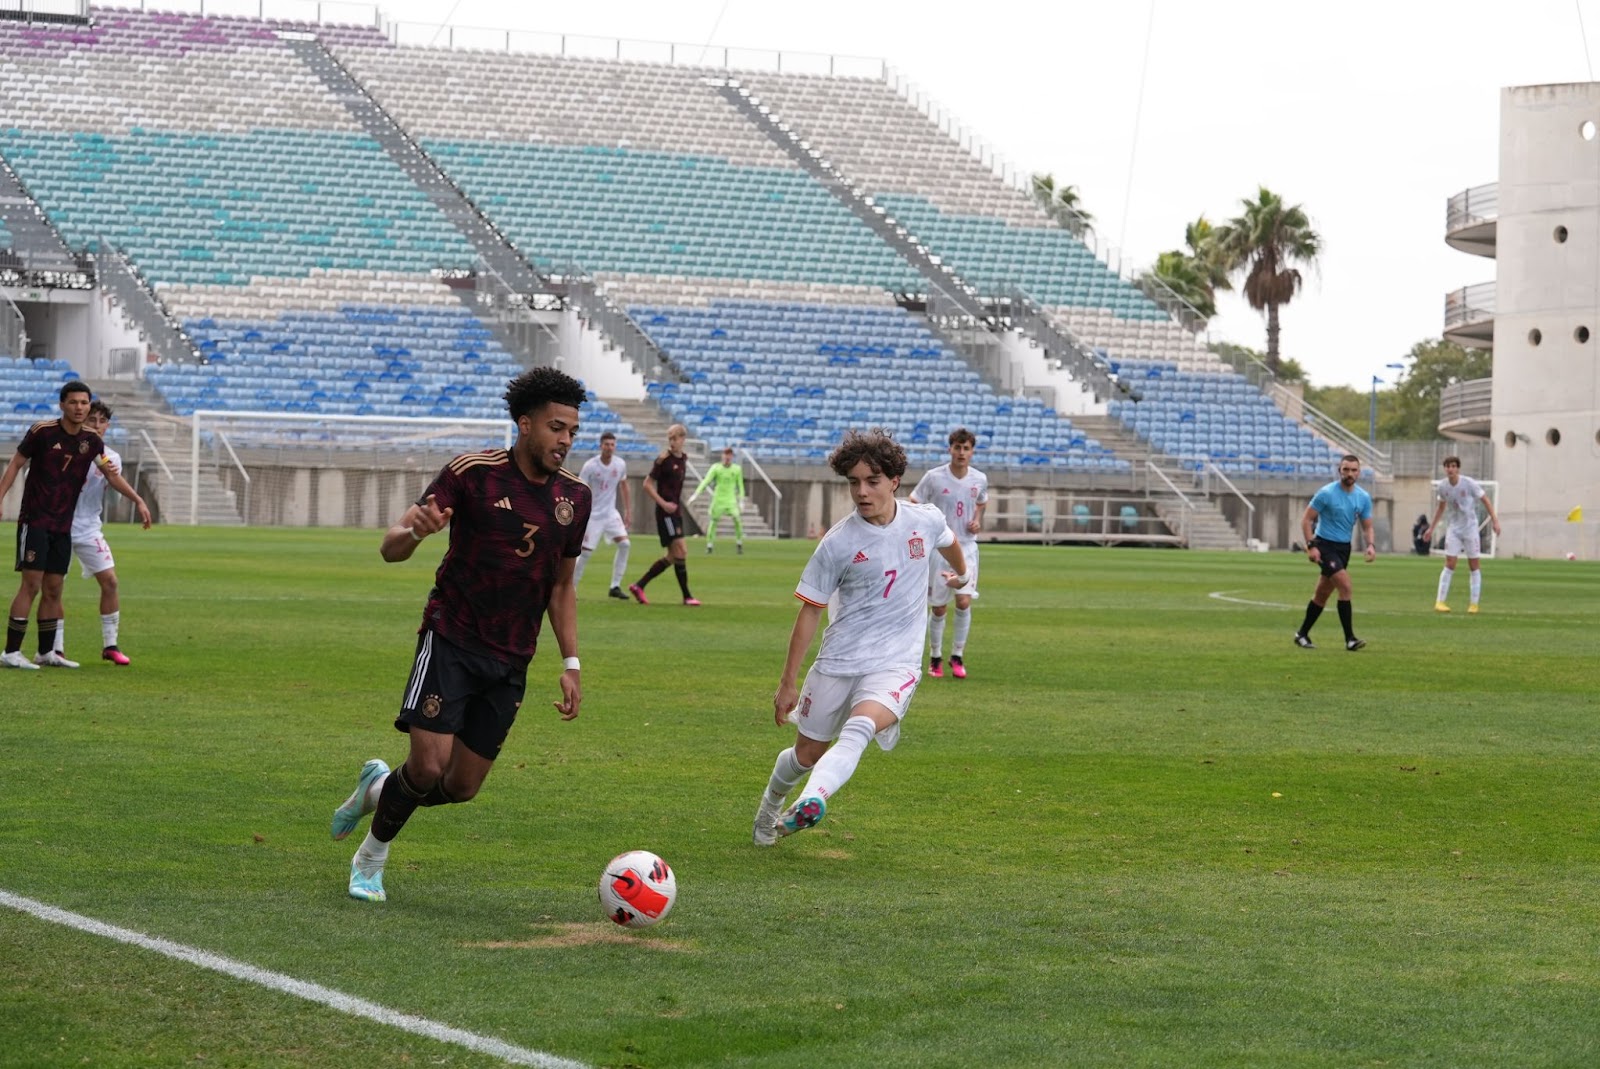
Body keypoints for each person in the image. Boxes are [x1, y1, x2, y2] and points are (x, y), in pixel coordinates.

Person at [329, 366, 591, 903]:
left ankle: (376, 789)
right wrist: (415, 534)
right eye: (555, 428)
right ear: (525, 425)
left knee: (460, 786)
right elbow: (390, 545)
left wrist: (571, 663)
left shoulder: (575, 498)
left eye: (572, 432)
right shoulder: (471, 473)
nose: (564, 440)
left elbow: (562, 586)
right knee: (426, 765)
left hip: (511, 658)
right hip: (451, 638)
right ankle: (369, 861)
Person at [751, 428, 967, 846]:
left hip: (896, 663)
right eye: (853, 482)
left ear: (894, 481)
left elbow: (950, 541)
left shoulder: (924, 519)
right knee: (805, 756)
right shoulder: (838, 543)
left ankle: (813, 800)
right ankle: (769, 809)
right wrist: (787, 682)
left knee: (862, 725)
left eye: (871, 481)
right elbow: (811, 610)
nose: (861, 492)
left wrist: (963, 574)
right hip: (839, 662)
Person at [0, 381, 150, 670]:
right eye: (74, 402)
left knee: (54, 589)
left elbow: (111, 474)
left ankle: (46, 653)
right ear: (62, 404)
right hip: (36, 520)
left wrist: (139, 500)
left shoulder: (92, 441)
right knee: (31, 585)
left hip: (63, 525)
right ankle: (10, 652)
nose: (79, 408)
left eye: (84, 402)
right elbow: (16, 464)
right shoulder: (42, 432)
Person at [52, 400, 135, 665]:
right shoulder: (62, 450)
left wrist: (112, 483)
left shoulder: (112, 457)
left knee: (110, 581)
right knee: (54, 588)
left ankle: (110, 645)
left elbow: (111, 503)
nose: (97, 426)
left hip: (89, 528)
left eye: (102, 421)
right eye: (92, 420)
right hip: (59, 526)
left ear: (108, 426)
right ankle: (56, 648)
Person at [910, 427, 988, 679]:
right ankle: (935, 657)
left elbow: (982, 501)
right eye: (957, 447)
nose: (961, 452)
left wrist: (977, 519)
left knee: (964, 601)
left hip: (966, 547)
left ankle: (957, 655)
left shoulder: (979, 479)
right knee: (939, 608)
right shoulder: (934, 477)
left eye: (966, 448)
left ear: (972, 452)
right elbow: (914, 501)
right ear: (950, 449)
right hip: (940, 548)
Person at [1292, 454, 1375, 652]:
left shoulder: (1363, 497)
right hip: (1325, 545)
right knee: (1345, 586)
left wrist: (1370, 544)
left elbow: (1367, 526)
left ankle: (1301, 634)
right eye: (1346, 469)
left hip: (1343, 548)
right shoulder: (1326, 493)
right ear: (1339, 470)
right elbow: (1306, 520)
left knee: (1322, 594)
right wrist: (1311, 545)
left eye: (1353, 470)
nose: (1349, 474)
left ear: (1359, 472)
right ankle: (1350, 639)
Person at [626, 423, 699, 606]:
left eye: (676, 438)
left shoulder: (684, 459)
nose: (673, 442)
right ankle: (687, 596)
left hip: (676, 512)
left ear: (683, 439)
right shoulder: (663, 460)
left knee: (675, 555)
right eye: (670, 439)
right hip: (665, 514)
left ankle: (639, 585)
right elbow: (647, 484)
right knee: (680, 550)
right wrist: (663, 503)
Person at [1423, 455, 1502, 614]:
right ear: (1444, 468)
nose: (1450, 469)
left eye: (1453, 466)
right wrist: (1431, 528)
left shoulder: (1468, 483)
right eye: (1447, 466)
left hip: (1470, 529)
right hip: (1454, 529)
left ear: (1458, 468)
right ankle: (1440, 602)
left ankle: (1474, 604)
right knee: (1449, 563)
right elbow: (1441, 508)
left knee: (1473, 565)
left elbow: (1485, 500)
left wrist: (1495, 521)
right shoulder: (1443, 487)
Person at [574, 430, 631, 599]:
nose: (609, 448)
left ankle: (615, 586)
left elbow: (624, 486)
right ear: (601, 446)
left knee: (625, 545)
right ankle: (571, 587)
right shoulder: (590, 466)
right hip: (594, 516)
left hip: (611, 514)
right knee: (585, 553)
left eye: (612, 445)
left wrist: (628, 511)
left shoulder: (620, 464)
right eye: (606, 444)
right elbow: (579, 488)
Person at [690, 444, 745, 555]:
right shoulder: (716, 468)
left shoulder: (737, 469)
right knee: (713, 522)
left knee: (737, 519)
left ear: (732, 457)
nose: (727, 458)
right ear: (722, 456)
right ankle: (709, 546)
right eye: (725, 455)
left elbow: (740, 485)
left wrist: (741, 500)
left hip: (731, 500)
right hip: (718, 499)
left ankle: (739, 543)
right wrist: (696, 494)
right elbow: (706, 481)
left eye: (729, 455)